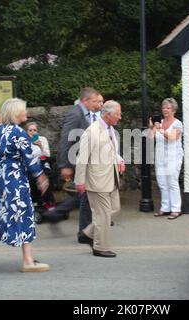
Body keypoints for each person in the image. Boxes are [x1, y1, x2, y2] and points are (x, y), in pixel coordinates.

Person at [0, 98, 50, 272]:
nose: (26, 113)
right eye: (23, 110)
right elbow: (29, 158)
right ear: (15, 113)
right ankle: (27, 261)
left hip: (0, 178)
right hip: (15, 179)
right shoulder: (18, 133)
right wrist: (40, 176)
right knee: (24, 212)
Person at [75, 100, 124, 258]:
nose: (120, 117)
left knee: (114, 209)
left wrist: (119, 159)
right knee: (102, 215)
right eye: (117, 114)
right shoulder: (92, 131)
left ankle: (88, 233)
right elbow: (82, 158)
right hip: (97, 181)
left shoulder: (110, 129)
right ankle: (100, 247)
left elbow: (111, 150)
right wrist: (80, 181)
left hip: (111, 178)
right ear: (107, 115)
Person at [53, 87, 101, 242]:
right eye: (94, 101)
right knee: (85, 196)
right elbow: (66, 139)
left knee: (83, 195)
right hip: (76, 160)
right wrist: (64, 164)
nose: (96, 104)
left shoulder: (85, 114)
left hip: (83, 160)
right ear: (85, 100)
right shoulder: (75, 114)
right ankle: (84, 233)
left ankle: (55, 214)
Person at [149, 98, 184, 219]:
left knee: (172, 182)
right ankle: (165, 208)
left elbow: (172, 137)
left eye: (168, 108)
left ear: (174, 110)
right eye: (164, 107)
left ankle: (176, 208)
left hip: (173, 157)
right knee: (162, 183)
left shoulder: (177, 123)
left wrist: (159, 128)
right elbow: (150, 137)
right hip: (160, 157)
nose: (165, 110)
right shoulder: (159, 122)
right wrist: (151, 127)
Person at [26, 121, 56, 210]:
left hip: (43, 162)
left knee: (47, 175)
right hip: (31, 164)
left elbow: (47, 154)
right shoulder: (25, 141)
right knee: (31, 177)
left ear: (37, 131)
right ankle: (36, 201)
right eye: (30, 130)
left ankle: (48, 201)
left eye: (34, 130)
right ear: (27, 132)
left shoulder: (42, 139)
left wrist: (40, 146)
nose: (32, 132)